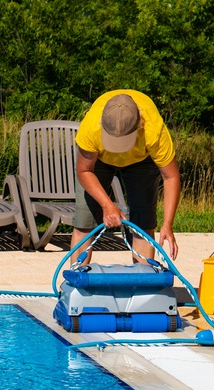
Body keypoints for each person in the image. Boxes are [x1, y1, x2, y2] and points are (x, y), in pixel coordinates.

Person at [70, 89, 180, 264]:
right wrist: (107, 205)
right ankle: (76, 283)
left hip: (142, 160)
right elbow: (84, 171)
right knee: (84, 221)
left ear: (139, 125)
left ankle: (142, 285)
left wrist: (168, 224)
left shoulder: (153, 129)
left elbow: (171, 177)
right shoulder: (90, 127)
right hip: (98, 160)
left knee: (143, 226)